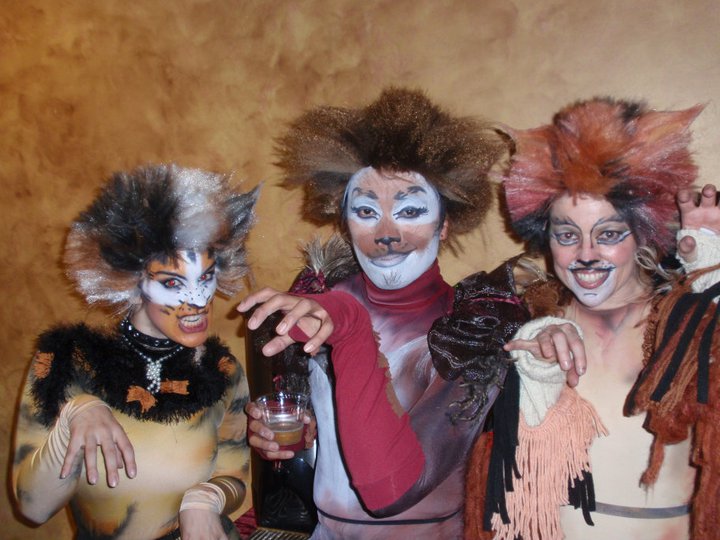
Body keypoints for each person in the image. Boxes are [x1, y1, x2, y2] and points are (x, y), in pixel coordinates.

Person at [239, 87, 534, 539]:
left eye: (411, 210)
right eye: (365, 210)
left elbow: (391, 489)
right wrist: (292, 437)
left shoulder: (475, 328)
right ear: (344, 221)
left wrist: (352, 323)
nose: (387, 234)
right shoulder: (312, 304)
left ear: (444, 224)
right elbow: (316, 438)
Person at [470, 97, 718, 539]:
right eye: (567, 234)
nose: (586, 254)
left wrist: (710, 280)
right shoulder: (526, 320)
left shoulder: (686, 325)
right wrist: (534, 350)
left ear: (642, 233)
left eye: (608, 234)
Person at [12, 164, 258, 540]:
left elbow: (234, 476)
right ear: (132, 281)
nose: (197, 300)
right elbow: (33, 508)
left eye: (206, 277)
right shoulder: (70, 363)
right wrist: (76, 412)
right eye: (172, 283)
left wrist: (205, 499)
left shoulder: (221, 370)